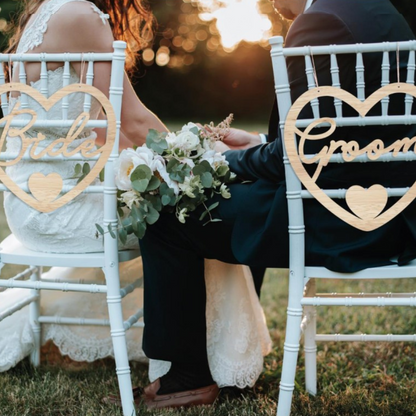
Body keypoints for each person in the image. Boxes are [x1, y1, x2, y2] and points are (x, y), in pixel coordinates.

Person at [138, 0, 416, 410]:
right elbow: (333, 140)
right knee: (242, 198)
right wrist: (256, 145)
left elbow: (292, 161)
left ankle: (186, 377)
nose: (267, 2)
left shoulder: (318, 22)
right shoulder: (382, 12)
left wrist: (219, 160)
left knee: (167, 215)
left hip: (336, 221)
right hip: (394, 218)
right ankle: (234, 361)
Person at [0, 0, 272, 393]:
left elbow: (101, 130)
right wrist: (191, 155)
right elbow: (134, 120)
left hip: (32, 203)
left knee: (182, 200)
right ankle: (210, 365)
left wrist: (164, 160)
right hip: (65, 204)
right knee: (196, 214)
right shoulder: (81, 16)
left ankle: (200, 357)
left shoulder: (47, 14)